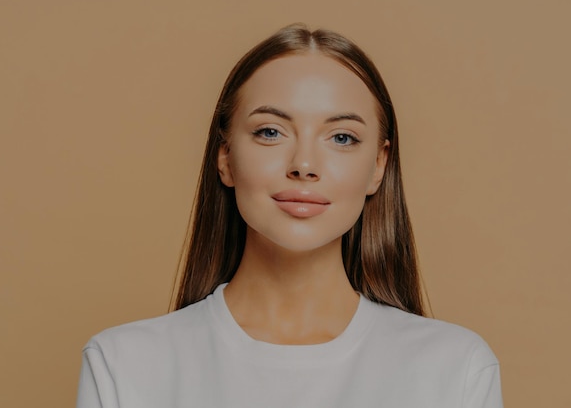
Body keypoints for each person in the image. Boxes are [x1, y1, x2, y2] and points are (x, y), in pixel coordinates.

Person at [76, 24, 503, 408]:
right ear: (225, 156)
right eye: (270, 132)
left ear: (378, 165)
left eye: (341, 137)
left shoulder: (455, 368)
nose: (304, 164)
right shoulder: (123, 364)